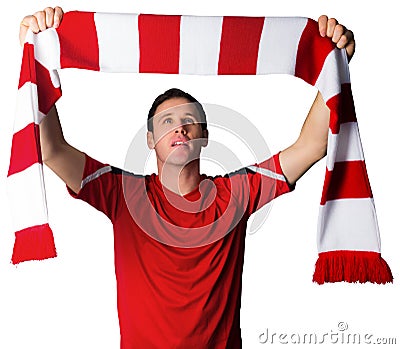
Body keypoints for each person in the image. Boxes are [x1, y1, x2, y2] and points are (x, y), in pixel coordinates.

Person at [19, 6, 355, 349]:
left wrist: (333, 64)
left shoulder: (236, 192)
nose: (179, 127)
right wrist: (36, 66)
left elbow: (313, 145)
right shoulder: (122, 193)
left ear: (204, 136)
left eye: (188, 121)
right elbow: (51, 150)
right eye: (167, 121)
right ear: (150, 140)